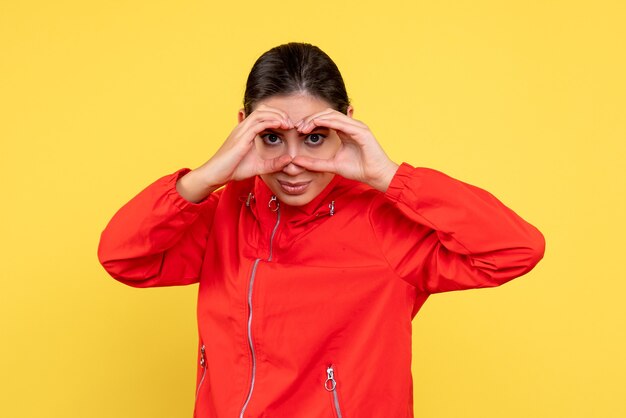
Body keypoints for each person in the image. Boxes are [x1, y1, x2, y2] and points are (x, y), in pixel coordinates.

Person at [98, 42, 545, 418]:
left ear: (347, 123)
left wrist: (390, 176)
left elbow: (515, 249)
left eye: (314, 136)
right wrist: (205, 177)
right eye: (272, 136)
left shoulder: (382, 222)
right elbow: (123, 257)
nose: (293, 161)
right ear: (244, 128)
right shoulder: (227, 213)